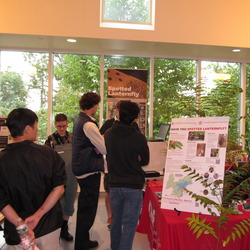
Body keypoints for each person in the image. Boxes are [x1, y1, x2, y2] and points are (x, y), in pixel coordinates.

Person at [0, 108, 66, 250]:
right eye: (36, 125)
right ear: (28, 129)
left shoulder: (2, 160)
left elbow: (2, 200)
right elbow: (59, 188)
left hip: (17, 233)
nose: (37, 129)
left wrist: (19, 223)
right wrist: (37, 215)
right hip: (48, 225)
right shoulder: (49, 155)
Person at [104, 100, 149, 250]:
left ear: (118, 113)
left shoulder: (109, 134)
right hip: (133, 185)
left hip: (115, 184)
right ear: (135, 118)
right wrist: (135, 157)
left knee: (115, 222)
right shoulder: (138, 137)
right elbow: (145, 160)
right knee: (129, 225)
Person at [72, 92, 106, 250]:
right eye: (97, 104)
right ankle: (81, 243)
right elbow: (104, 148)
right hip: (88, 169)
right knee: (88, 208)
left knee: (85, 206)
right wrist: (98, 146)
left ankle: (82, 240)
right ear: (93, 105)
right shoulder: (89, 124)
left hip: (82, 167)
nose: (97, 106)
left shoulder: (80, 119)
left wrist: (97, 146)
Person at [99, 100, 140, 230]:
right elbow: (100, 140)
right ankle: (111, 218)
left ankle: (123, 218)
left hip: (128, 168)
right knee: (109, 192)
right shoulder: (108, 125)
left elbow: (139, 147)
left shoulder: (134, 126)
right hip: (111, 167)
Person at [45, 113, 77, 241]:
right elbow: (46, 159)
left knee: (69, 201)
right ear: (55, 125)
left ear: (67, 124)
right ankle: (56, 228)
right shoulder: (50, 140)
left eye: (64, 126)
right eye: (59, 126)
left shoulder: (73, 138)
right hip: (57, 177)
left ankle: (64, 228)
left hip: (72, 175)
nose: (62, 129)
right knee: (58, 203)